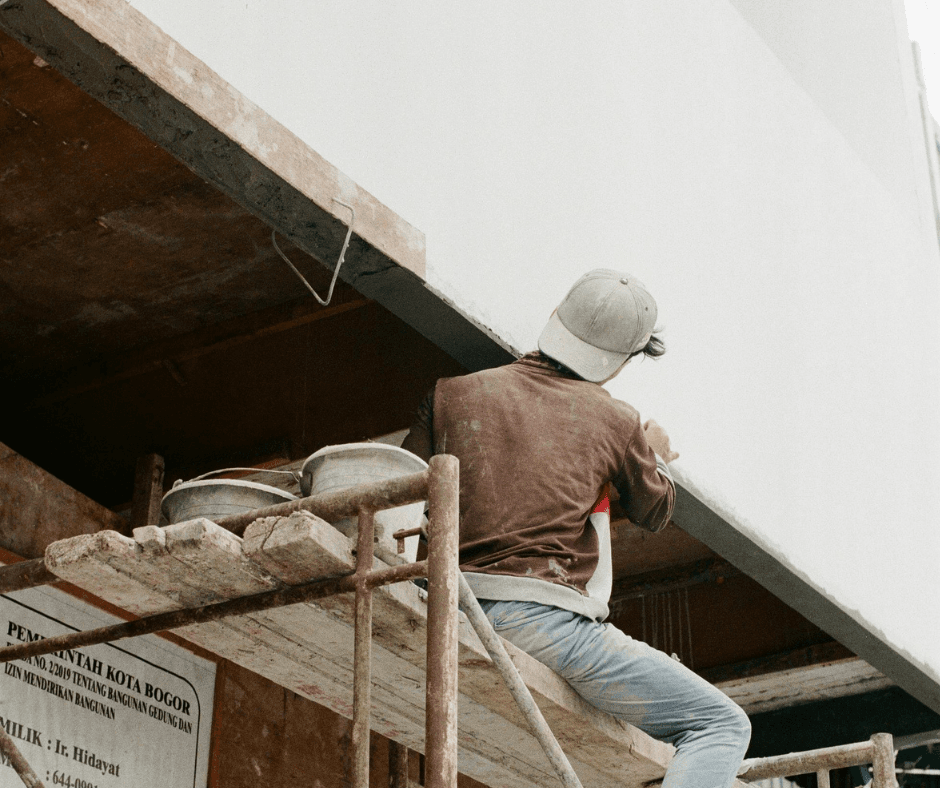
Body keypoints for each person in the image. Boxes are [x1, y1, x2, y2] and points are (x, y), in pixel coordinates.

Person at [401, 269, 750, 788]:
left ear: (553, 321)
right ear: (620, 363)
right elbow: (655, 511)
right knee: (720, 724)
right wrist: (653, 454)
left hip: (447, 606)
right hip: (545, 628)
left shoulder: (450, 393)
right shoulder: (617, 420)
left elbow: (399, 491)